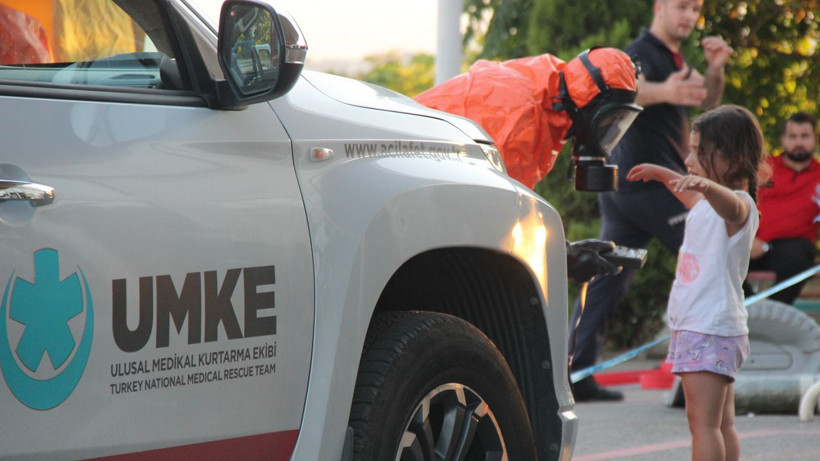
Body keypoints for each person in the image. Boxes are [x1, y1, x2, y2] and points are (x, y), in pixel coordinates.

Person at [568, 0, 734, 401]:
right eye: (682, 7)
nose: (690, 16)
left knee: (608, 277)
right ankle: (696, 381)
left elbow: (708, 101)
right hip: (651, 185)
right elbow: (616, 87)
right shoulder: (641, 52)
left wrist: (714, 69)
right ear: (660, 7)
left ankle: (576, 374)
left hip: (632, 190)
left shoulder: (673, 57)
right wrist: (665, 90)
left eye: (696, 9)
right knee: (711, 260)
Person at [416, 48, 642, 282]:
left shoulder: (548, 91)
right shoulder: (521, 118)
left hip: (423, 195)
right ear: (591, 105)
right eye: (608, 120)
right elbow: (498, 217)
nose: (610, 131)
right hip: (418, 202)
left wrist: (564, 251)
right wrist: (564, 257)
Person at [627, 104, 765, 461]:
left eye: (698, 152)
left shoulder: (740, 205)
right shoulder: (706, 202)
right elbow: (690, 193)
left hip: (709, 328)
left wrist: (705, 185)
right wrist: (662, 175)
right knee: (720, 423)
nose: (689, 159)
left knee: (702, 424)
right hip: (709, 327)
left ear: (732, 161)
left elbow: (731, 207)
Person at [747, 112, 820, 305]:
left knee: (799, 259)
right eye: (792, 136)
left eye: (804, 136)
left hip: (792, 250)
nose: (798, 142)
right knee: (720, 257)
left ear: (815, 139)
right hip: (750, 243)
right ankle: (746, 309)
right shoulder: (763, 168)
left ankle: (770, 316)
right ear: (783, 140)